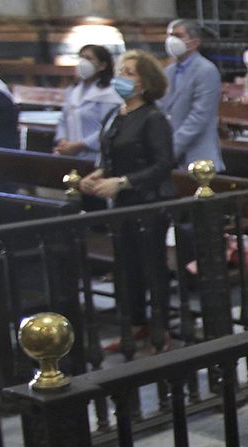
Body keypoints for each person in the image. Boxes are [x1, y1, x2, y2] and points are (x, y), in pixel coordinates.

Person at [80, 50, 177, 354]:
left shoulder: (153, 118)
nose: (122, 76)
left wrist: (123, 182)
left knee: (151, 266)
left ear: (145, 82)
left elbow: (163, 164)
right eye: (121, 70)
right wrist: (97, 175)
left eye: (130, 72)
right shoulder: (115, 114)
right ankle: (134, 325)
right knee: (126, 267)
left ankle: (160, 327)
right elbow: (109, 156)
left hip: (148, 202)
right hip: (122, 204)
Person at [159, 18, 223, 171]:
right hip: (169, 151)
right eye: (169, 35)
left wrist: (173, 148)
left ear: (194, 42)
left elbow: (199, 116)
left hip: (198, 155)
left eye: (178, 36)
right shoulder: (168, 71)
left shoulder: (206, 70)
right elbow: (162, 106)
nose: (171, 40)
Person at [54, 45, 122, 157]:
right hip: (69, 154)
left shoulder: (109, 93)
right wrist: (63, 140)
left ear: (102, 65)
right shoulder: (73, 90)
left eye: (89, 58)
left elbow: (108, 127)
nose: (83, 62)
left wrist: (81, 145)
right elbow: (63, 120)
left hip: (95, 155)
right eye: (81, 57)